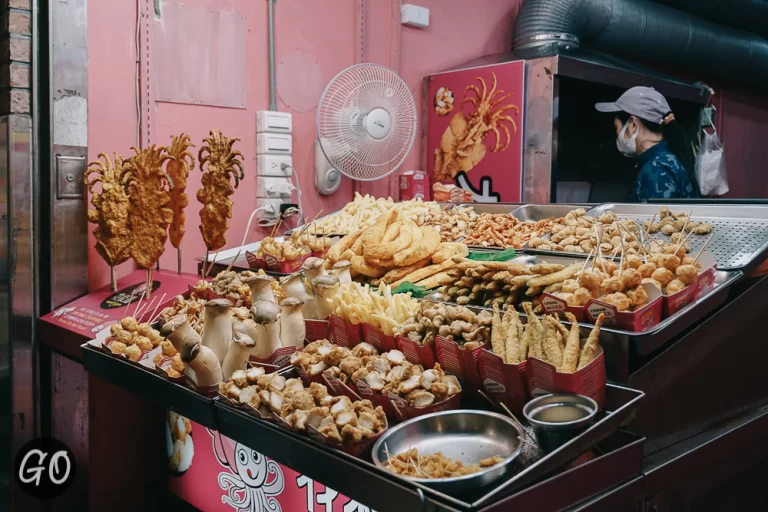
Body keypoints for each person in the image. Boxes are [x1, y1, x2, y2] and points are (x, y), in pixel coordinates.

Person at [596, 86, 699, 202]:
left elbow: (658, 219)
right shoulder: (666, 160)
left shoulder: (656, 170)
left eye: (617, 127)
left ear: (633, 125)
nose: (617, 134)